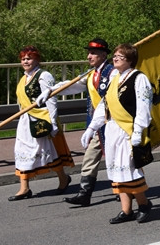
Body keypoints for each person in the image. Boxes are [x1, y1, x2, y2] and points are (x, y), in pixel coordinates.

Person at [83, 43, 153, 224]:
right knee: (116, 170)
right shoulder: (115, 78)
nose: (115, 59)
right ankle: (126, 210)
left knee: (129, 169)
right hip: (113, 129)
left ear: (129, 60)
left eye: (119, 57)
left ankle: (144, 204)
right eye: (114, 56)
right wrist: (92, 127)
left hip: (128, 130)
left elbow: (144, 107)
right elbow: (104, 104)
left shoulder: (139, 78)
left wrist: (138, 130)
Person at [47, 38, 115, 207]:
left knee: (117, 159)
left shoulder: (113, 72)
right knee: (90, 157)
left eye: (93, 53)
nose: (88, 56)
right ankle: (84, 194)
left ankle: (125, 190)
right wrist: (52, 90)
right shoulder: (91, 73)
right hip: (96, 125)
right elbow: (74, 85)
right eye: (89, 53)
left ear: (103, 55)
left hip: (114, 123)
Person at [10, 46, 72, 200]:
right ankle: (24, 188)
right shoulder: (23, 78)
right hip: (26, 120)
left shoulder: (44, 76)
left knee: (48, 151)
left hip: (41, 119)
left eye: (29, 58)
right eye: (23, 59)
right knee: (22, 151)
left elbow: (51, 99)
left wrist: (53, 122)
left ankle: (63, 178)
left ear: (37, 60)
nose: (25, 61)